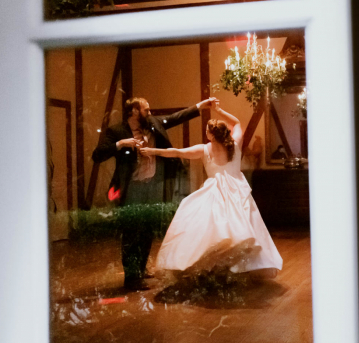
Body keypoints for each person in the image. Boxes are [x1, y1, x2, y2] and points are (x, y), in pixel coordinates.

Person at [140, 101, 283, 279]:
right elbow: (237, 123)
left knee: (211, 228)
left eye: (207, 131)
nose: (205, 133)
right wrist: (219, 109)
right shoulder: (235, 145)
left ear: (212, 136)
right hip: (237, 190)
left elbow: (176, 152)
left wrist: (152, 151)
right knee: (240, 225)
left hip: (216, 191)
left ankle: (216, 267)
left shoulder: (205, 149)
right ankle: (228, 267)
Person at [92, 96, 216, 290]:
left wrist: (201, 106)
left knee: (148, 229)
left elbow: (177, 117)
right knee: (132, 232)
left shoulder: (153, 124)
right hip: (132, 187)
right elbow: (97, 155)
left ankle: (140, 270)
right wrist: (121, 144)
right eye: (146, 110)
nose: (149, 113)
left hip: (153, 185)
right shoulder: (116, 131)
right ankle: (131, 278)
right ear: (133, 111)